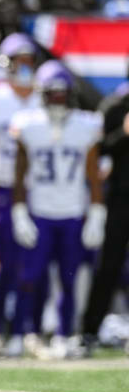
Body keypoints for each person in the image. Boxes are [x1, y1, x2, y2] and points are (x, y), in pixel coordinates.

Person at [9, 60, 105, 358]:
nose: (58, 99)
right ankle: (28, 332)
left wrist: (97, 214)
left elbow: (93, 173)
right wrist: (19, 211)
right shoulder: (27, 124)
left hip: (73, 213)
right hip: (40, 212)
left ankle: (64, 333)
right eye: (53, 93)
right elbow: (20, 173)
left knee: (69, 278)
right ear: (42, 94)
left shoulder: (86, 126)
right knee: (30, 278)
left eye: (62, 94)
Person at [0, 33, 49, 355]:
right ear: (7, 64)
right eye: (19, 61)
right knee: (3, 265)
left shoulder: (44, 97)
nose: (25, 67)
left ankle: (27, 329)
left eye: (29, 61)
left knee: (35, 266)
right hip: (1, 189)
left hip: (37, 191)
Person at [81, 74, 129, 355]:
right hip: (121, 198)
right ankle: (90, 329)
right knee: (108, 266)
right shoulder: (114, 106)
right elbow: (99, 150)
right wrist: (124, 132)